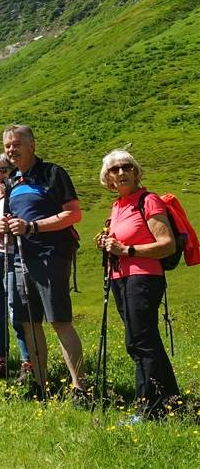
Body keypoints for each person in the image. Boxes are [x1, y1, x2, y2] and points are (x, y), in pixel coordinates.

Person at [0, 124, 86, 400]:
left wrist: (32, 227)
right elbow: (12, 217)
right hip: (20, 257)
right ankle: (41, 385)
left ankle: (80, 388)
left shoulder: (53, 173)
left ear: (32, 145)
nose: (11, 149)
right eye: (7, 145)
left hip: (51, 254)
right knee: (28, 322)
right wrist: (5, 225)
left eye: (16, 144)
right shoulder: (12, 180)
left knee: (59, 321)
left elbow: (73, 214)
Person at [97, 149, 179, 422]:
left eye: (126, 166)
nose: (121, 172)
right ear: (107, 179)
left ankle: (148, 410)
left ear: (136, 171)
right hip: (122, 279)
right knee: (146, 341)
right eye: (114, 169)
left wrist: (127, 250)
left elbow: (166, 244)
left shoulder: (149, 200)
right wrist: (108, 244)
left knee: (139, 343)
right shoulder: (118, 205)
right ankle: (170, 402)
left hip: (143, 278)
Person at [0, 154, 31, 379]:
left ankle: (27, 362)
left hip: (15, 257)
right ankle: (0, 359)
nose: (0, 174)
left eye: (4, 169)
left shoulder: (19, 195)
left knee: (15, 309)